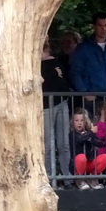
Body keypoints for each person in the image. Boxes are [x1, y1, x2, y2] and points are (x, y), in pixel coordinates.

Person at [41, 38, 70, 183]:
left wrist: (52, 73)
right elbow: (40, 79)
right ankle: (49, 178)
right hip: (44, 106)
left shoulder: (55, 60)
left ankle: (67, 177)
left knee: (63, 142)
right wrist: (53, 73)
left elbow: (62, 76)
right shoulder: (31, 61)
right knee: (48, 144)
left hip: (61, 102)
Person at [68, 107, 106, 189]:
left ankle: (92, 179)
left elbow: (99, 144)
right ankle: (79, 180)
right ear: (73, 122)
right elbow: (80, 139)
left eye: (82, 120)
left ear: (85, 121)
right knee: (81, 157)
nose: (79, 123)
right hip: (77, 164)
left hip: (89, 163)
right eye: (77, 120)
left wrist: (94, 137)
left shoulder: (89, 133)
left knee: (105, 158)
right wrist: (91, 133)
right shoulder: (72, 134)